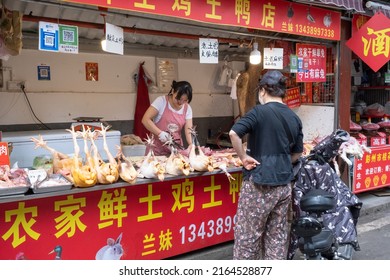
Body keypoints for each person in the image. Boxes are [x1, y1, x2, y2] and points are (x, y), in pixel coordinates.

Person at [229, 70, 304, 260]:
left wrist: (243, 156)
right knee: (277, 239)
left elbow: (234, 133)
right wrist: (281, 161)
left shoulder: (259, 112)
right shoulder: (294, 118)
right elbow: (297, 153)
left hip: (258, 185)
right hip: (284, 186)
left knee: (248, 239)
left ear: (263, 90)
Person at [142, 80, 193, 156]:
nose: (180, 102)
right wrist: (160, 134)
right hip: (156, 150)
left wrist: (191, 144)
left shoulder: (187, 108)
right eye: (178, 98)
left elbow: (189, 129)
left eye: (184, 100)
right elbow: (145, 120)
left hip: (175, 149)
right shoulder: (161, 101)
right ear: (173, 91)